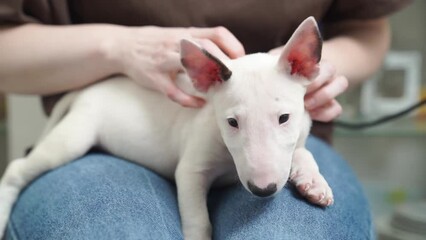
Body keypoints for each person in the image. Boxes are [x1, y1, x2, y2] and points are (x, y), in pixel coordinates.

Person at [0, 0, 411, 239]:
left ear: (306, 64)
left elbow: (366, 29)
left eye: (285, 117)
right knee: (111, 226)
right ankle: (13, 180)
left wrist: (305, 153)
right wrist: (117, 47)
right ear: (204, 78)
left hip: (295, 111)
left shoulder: (292, 91)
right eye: (233, 124)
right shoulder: (213, 96)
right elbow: (191, 171)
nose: (263, 167)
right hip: (109, 132)